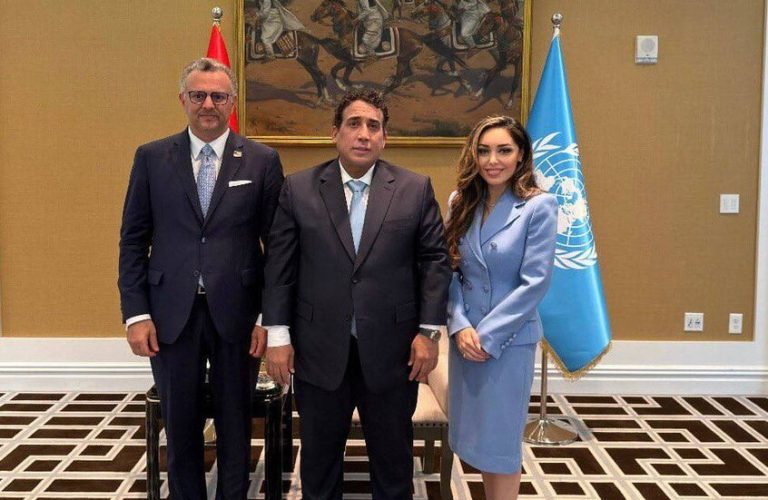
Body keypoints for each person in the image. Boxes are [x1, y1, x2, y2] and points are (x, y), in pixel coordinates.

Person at [262, 89, 451, 499]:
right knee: (318, 465)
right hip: (317, 350)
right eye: (354, 124)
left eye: (373, 126)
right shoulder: (299, 188)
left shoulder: (414, 188)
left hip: (393, 351)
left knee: (394, 466)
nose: (364, 134)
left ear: (384, 137)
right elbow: (279, 268)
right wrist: (277, 336)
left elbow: (435, 262)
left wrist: (429, 333)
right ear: (336, 132)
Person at [118, 57, 284, 499]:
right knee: (180, 425)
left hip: (239, 315)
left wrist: (268, 318)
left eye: (218, 96)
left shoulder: (262, 160)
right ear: (183, 99)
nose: (208, 104)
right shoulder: (152, 157)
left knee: (235, 425)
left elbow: (277, 248)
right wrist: (136, 314)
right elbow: (133, 241)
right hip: (169, 315)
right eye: (198, 95)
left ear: (233, 102)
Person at [444, 115, 557, 500]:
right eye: (484, 151)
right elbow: (450, 270)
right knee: (477, 443)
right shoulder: (460, 201)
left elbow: (534, 283)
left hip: (505, 344)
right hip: (464, 342)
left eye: (504, 150)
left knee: (501, 447)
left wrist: (486, 338)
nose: (493, 160)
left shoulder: (539, 206)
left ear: (521, 154)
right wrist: (459, 326)